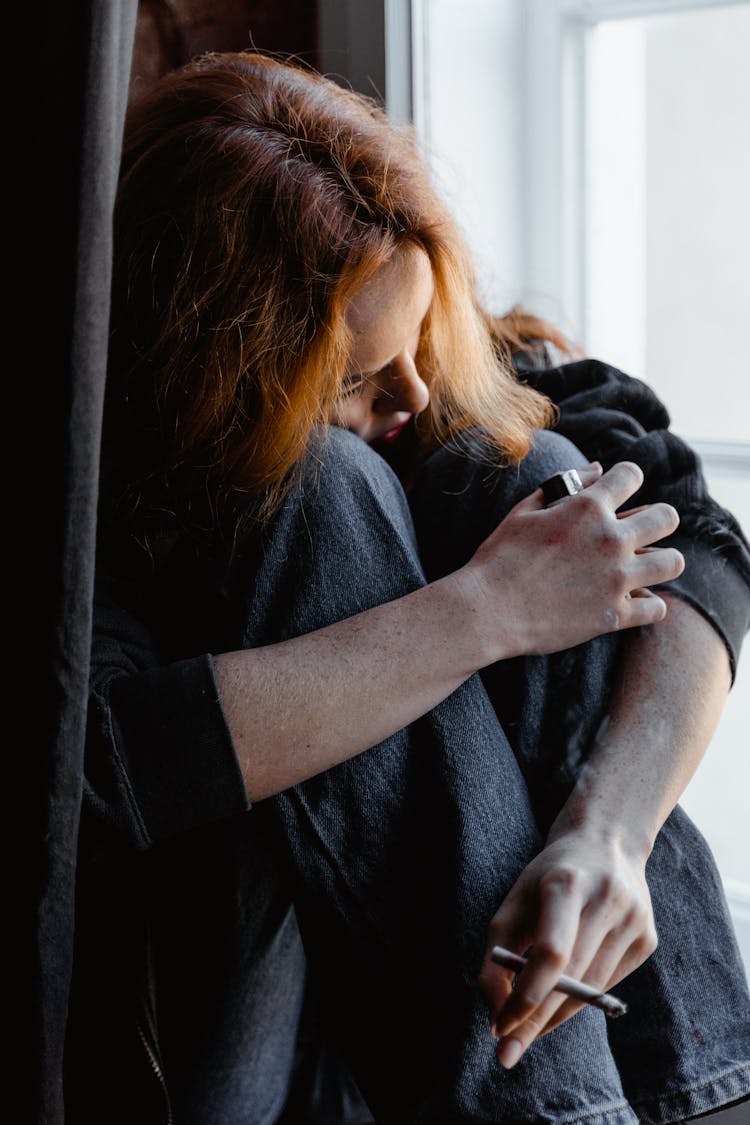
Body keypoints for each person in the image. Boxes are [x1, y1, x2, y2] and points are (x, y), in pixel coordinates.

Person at [68, 49, 750, 1125]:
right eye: (354, 379)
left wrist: (605, 832)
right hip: (240, 1024)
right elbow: (100, 769)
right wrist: (481, 613)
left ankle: (685, 1097)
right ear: (218, 383)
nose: (413, 389)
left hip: (457, 1016)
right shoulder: (87, 496)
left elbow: (696, 535)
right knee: (327, 492)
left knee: (526, 470)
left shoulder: (430, 380)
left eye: (419, 336)